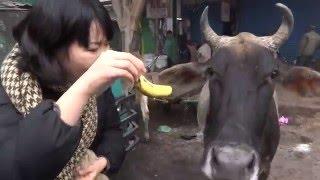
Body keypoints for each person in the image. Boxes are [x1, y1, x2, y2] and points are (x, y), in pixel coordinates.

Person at [0, 0, 146, 179]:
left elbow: (113, 131)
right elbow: (18, 169)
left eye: (107, 44)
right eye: (93, 48)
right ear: (53, 46)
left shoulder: (96, 85)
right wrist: (83, 87)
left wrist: (104, 160)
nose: (105, 56)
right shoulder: (10, 91)